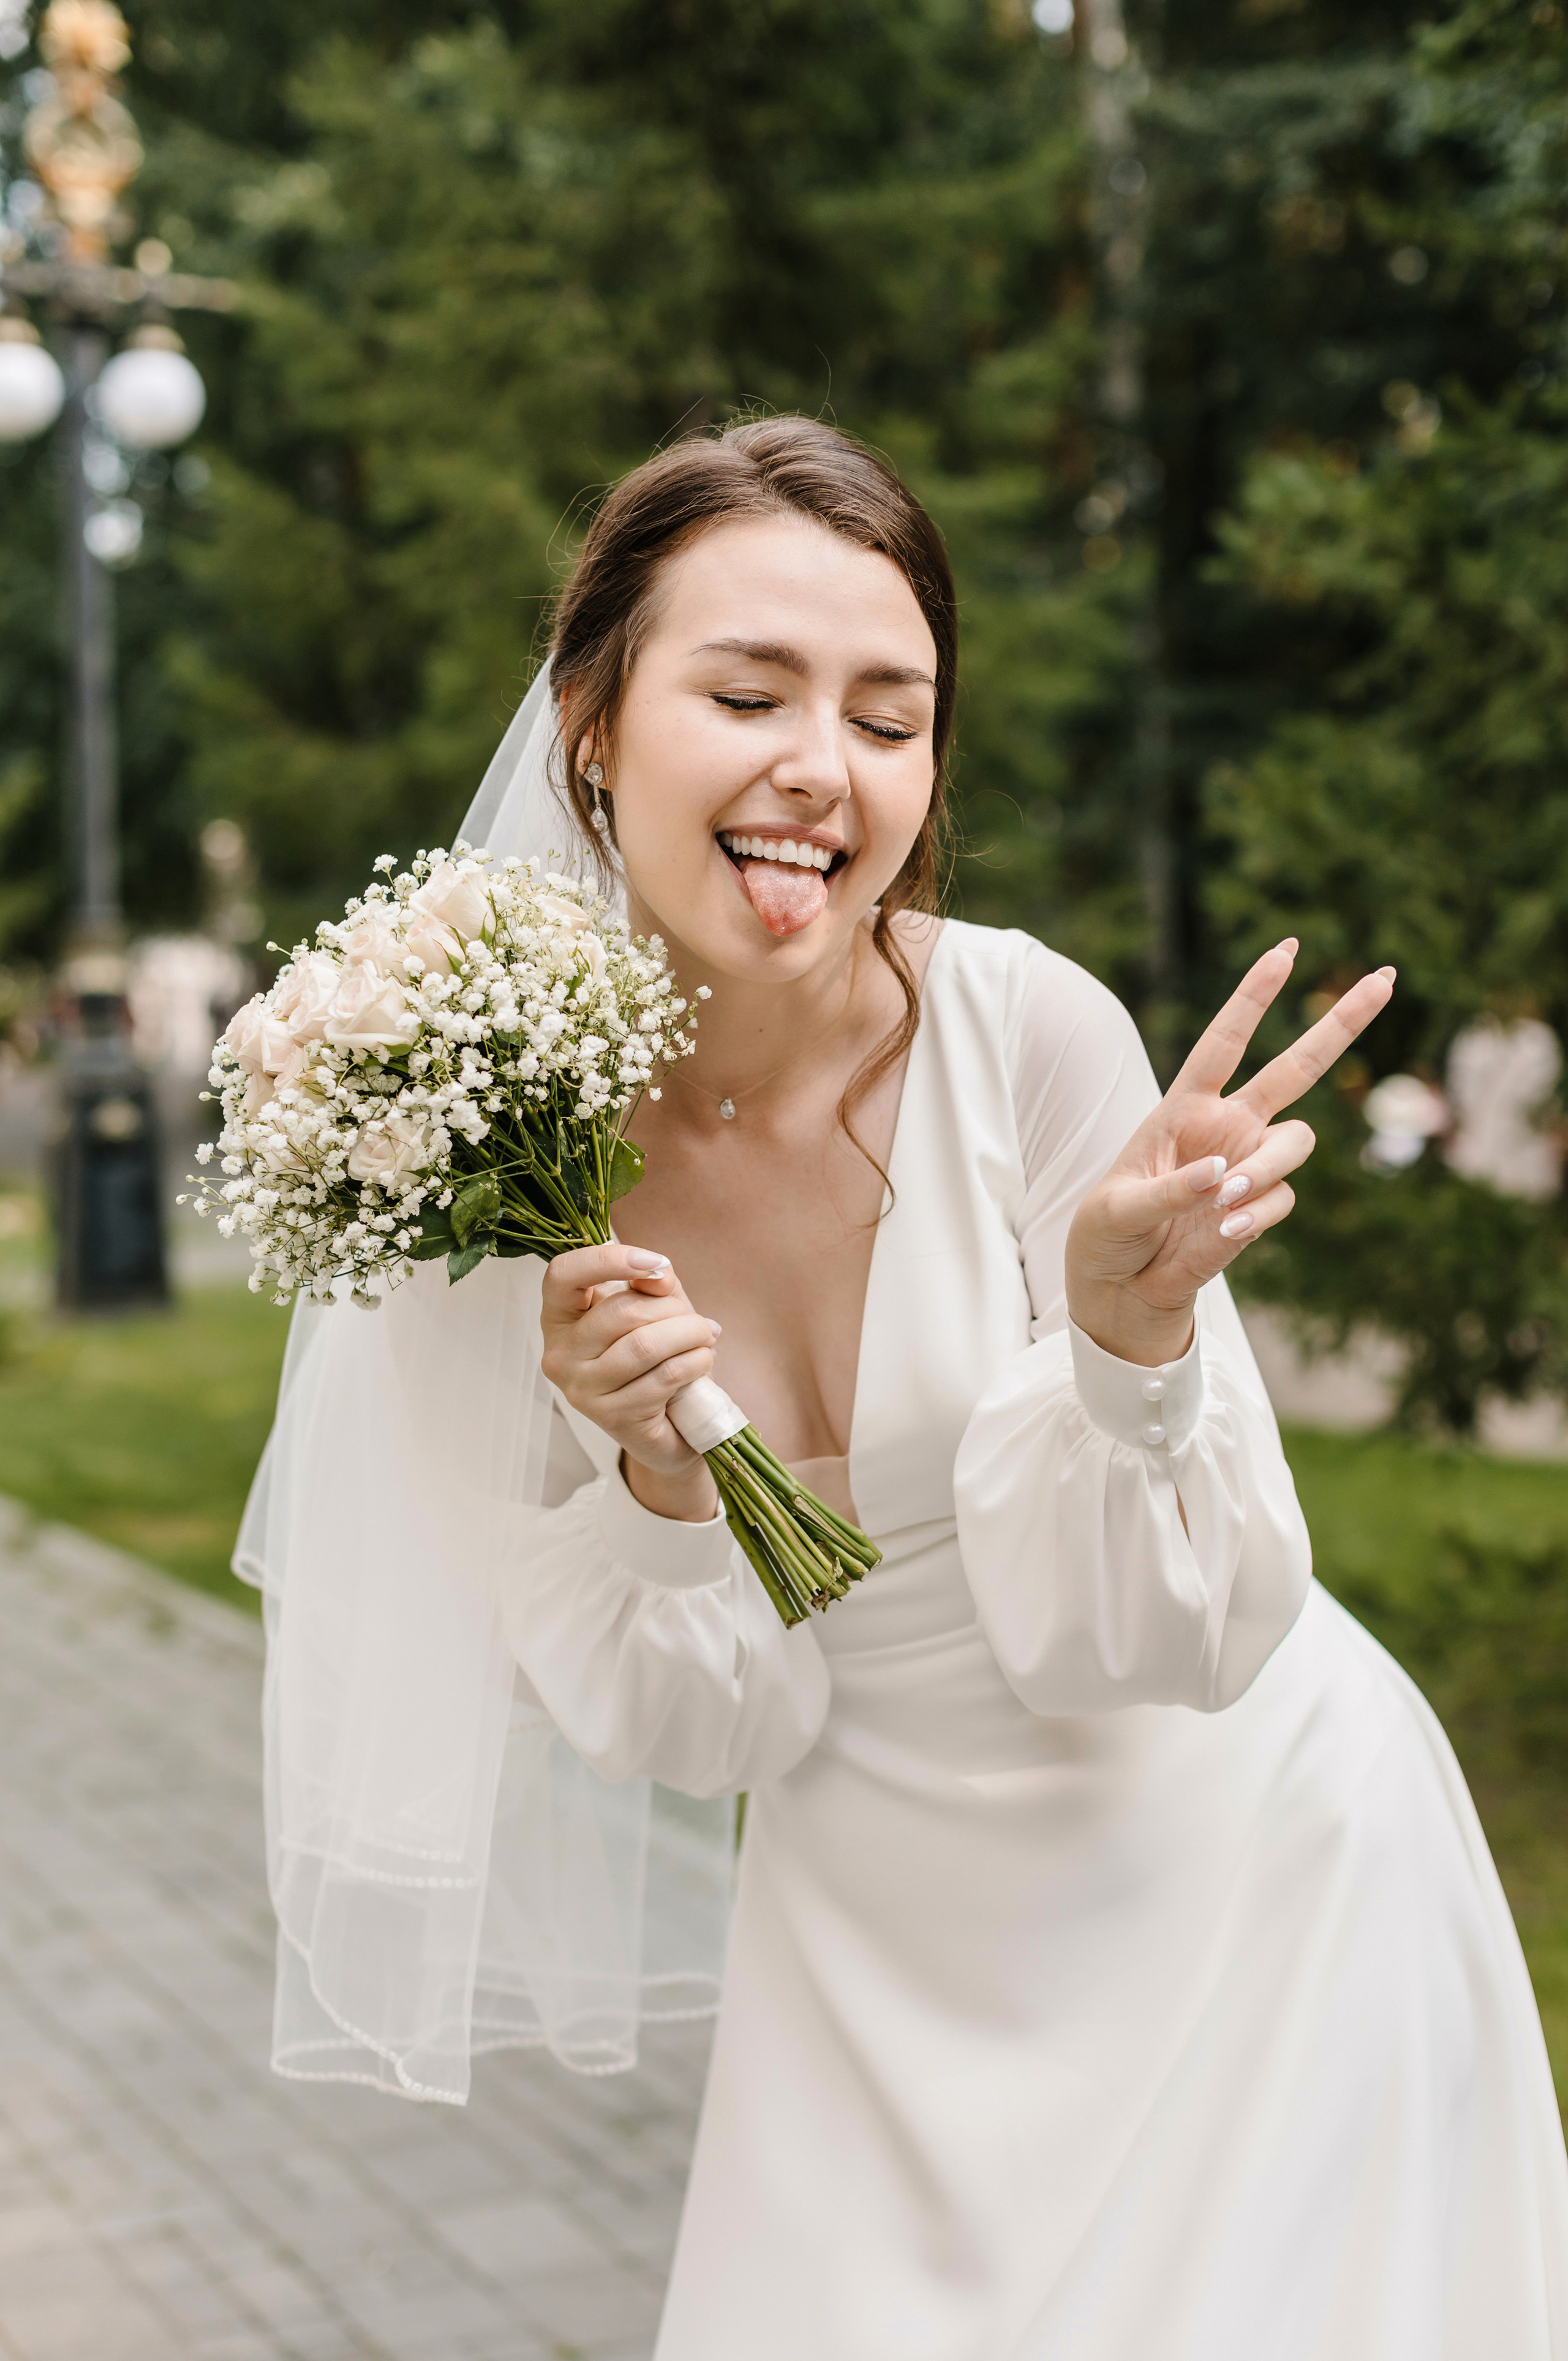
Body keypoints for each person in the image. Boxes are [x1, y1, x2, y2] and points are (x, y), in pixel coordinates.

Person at [243, 417, 1568, 2359]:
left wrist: (1125, 1349)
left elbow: (1167, 1635)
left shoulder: (1031, 1036)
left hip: (1266, 1891)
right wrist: (660, 1486)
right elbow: (706, 1730)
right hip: (877, 1969)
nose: (822, 768)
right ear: (594, 725)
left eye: (889, 716)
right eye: (747, 695)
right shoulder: (478, 1176)